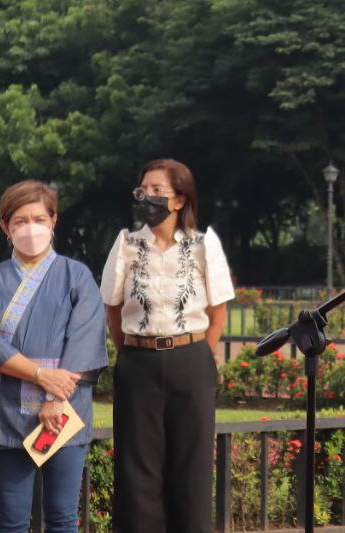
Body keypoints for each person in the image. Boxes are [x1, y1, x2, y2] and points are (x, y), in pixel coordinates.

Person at [0, 180, 108, 533]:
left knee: (62, 517)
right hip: (9, 410)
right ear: (5, 226)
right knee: (10, 521)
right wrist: (41, 376)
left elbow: (85, 339)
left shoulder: (77, 276)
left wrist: (56, 399)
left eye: (39, 219)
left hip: (65, 411)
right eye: (20, 221)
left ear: (53, 221)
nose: (31, 228)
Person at [100, 159, 234, 532]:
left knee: (191, 465)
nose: (148, 197)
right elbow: (112, 309)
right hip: (138, 361)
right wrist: (131, 352)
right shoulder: (126, 244)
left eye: (158, 190)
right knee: (136, 466)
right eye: (142, 190)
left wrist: (199, 355)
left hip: (190, 359)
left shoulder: (203, 245)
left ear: (179, 199)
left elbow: (218, 311)